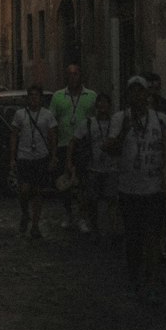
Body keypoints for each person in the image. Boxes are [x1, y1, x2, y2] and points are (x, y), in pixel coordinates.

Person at [106, 74, 166, 299]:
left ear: (147, 95)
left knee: (152, 237)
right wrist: (125, 130)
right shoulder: (119, 119)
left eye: (140, 91)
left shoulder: (161, 119)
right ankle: (134, 276)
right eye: (132, 91)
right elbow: (109, 148)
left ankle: (152, 281)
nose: (137, 96)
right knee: (134, 238)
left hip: (153, 189)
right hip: (129, 189)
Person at [49, 63, 96, 231]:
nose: (73, 77)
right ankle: (68, 214)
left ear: (80, 76)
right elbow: (52, 124)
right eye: (70, 74)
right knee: (64, 184)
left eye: (76, 74)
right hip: (63, 144)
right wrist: (53, 150)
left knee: (83, 183)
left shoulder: (91, 96)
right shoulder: (58, 97)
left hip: (83, 146)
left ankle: (82, 216)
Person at [9, 84, 58, 240]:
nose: (33, 98)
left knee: (38, 191)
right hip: (24, 157)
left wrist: (53, 156)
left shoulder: (47, 115)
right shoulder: (20, 115)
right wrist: (12, 157)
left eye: (36, 95)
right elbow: (14, 136)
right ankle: (25, 213)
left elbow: (52, 137)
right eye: (31, 95)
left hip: (41, 157)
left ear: (40, 98)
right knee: (24, 190)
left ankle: (35, 225)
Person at [70, 91, 120, 242]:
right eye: (100, 102)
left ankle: (113, 230)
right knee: (92, 201)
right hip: (93, 168)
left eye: (105, 102)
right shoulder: (88, 123)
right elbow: (74, 141)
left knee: (112, 200)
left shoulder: (115, 124)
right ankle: (95, 229)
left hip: (111, 167)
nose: (102, 105)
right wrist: (70, 162)